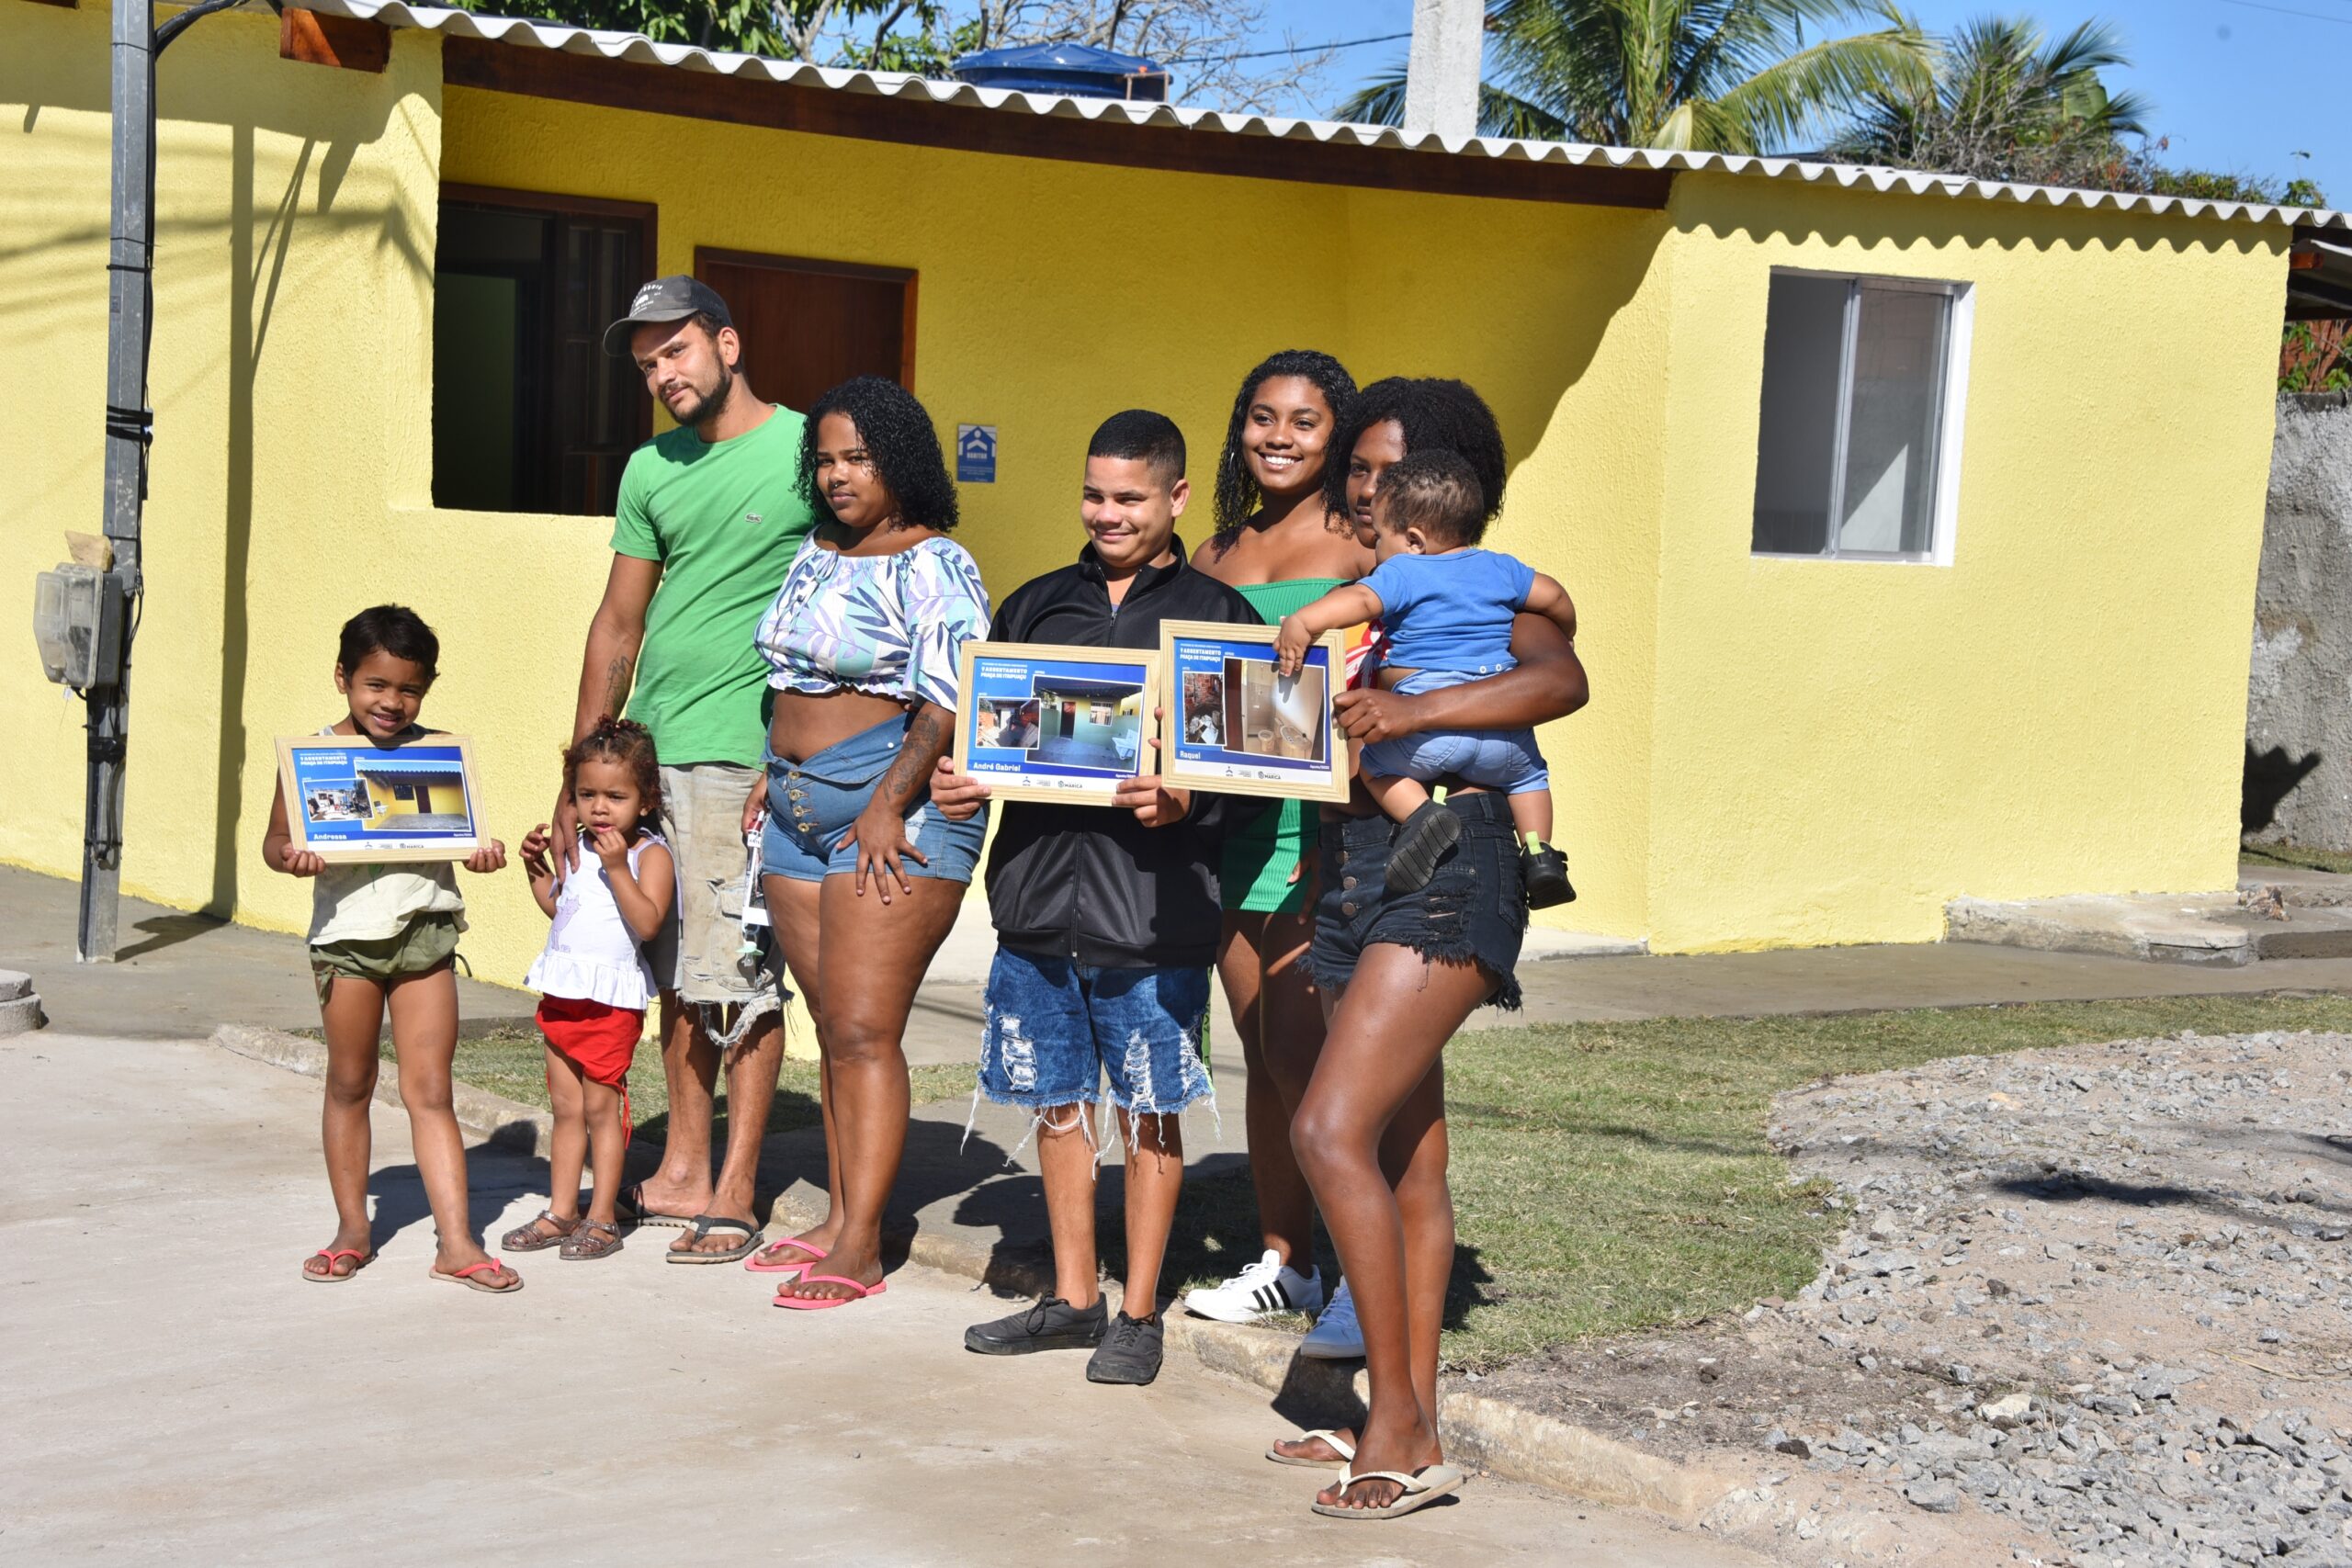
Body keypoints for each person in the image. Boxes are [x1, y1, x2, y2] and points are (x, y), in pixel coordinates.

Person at [1271, 379, 1590, 1518]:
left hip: (1453, 862)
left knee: (1327, 1126)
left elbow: (1560, 680)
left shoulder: (1486, 584)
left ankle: (1398, 1419)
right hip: (1363, 873)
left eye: (1383, 470)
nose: (1360, 487)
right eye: (1354, 468)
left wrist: (1405, 715)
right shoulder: (1381, 596)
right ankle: (1397, 1414)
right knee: (1407, 1158)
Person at [931, 409, 1264, 1385]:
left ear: (1175, 497)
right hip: (1036, 900)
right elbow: (990, 741)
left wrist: (1187, 796)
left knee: (1150, 1109)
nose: (1107, 514)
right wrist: (960, 782)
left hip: (1156, 912)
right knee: (1058, 1100)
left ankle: (1138, 1309)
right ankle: (1073, 1298)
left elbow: (1253, 769)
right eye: (1093, 495)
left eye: (1128, 497)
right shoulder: (1033, 605)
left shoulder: (1217, 619)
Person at [559, 276, 814, 1262]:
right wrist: (583, 764)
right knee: (668, 970)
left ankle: (739, 1188)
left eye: (677, 352)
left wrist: (790, 750)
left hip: (737, 756)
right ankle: (682, 1167)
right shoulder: (648, 470)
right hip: (649, 760)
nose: (663, 374)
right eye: (647, 363)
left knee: (737, 979)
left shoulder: (803, 449)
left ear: (729, 344)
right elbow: (619, 620)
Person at [739, 376, 991, 1308]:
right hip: (799, 804)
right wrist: (776, 765)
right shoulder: (816, 551)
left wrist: (889, 801)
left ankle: (863, 1247)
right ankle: (846, 1215)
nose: (840, 476)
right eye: (828, 460)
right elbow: (794, 675)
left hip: (893, 805)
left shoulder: (937, 564)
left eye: (859, 458)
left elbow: (948, 694)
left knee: (862, 1029)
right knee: (830, 1027)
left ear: (902, 463)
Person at [1182, 350, 1367, 1351]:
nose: (1279, 437)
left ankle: (1350, 1271)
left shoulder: (1356, 543)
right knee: (1261, 1052)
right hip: (1224, 831)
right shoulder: (1211, 553)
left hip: (1317, 831)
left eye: (1302, 420)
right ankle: (1285, 1262)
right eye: (1261, 417)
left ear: (1335, 435)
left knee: (1309, 1056)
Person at [264, 605, 515, 1292]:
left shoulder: (440, 755)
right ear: (344, 677)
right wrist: (291, 857)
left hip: (425, 935)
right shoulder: (312, 758)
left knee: (430, 1090)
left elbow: (462, 842)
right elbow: (273, 841)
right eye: (376, 685)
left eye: (409, 689)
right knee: (350, 1083)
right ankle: (353, 1229)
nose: (392, 702)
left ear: (427, 688)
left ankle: (458, 1243)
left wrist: (483, 854)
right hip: (346, 943)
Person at [1274, 448, 1577, 901]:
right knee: (1530, 777)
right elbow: (1553, 596)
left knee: (1375, 768)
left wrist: (1302, 622)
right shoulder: (1501, 567)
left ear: (1413, 539)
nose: (1375, 547)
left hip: (1426, 720)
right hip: (1500, 729)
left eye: (1380, 536)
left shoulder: (1405, 570)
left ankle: (1421, 817)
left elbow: (1357, 603)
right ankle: (1539, 853)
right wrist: (1567, 631)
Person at [503, 718, 675, 1262]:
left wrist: (618, 866)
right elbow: (563, 909)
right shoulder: (576, 849)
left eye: (616, 796)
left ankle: (602, 1217)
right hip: (563, 994)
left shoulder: (650, 855)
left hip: (609, 1004)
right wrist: (535, 871)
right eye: (586, 795)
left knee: (602, 1110)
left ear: (645, 800)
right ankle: (561, 1211)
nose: (599, 808)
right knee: (565, 1107)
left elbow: (647, 922)